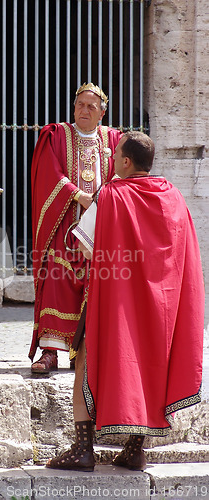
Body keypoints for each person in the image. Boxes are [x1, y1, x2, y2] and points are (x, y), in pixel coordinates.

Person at [47, 131, 204, 471]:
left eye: (115, 154)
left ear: (126, 162)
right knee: (151, 370)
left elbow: (85, 246)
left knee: (85, 364)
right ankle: (135, 449)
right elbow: (183, 255)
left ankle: (83, 449)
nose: (112, 159)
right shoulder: (174, 197)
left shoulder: (111, 195)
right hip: (160, 310)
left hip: (117, 305)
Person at [29, 83, 122, 374]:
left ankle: (86, 352)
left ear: (102, 112)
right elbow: (48, 172)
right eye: (79, 104)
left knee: (97, 287)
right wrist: (77, 195)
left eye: (91, 106)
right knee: (57, 281)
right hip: (64, 225)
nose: (84, 110)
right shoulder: (56, 135)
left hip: (100, 225)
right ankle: (51, 351)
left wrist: (104, 201)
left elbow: (123, 174)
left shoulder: (114, 139)